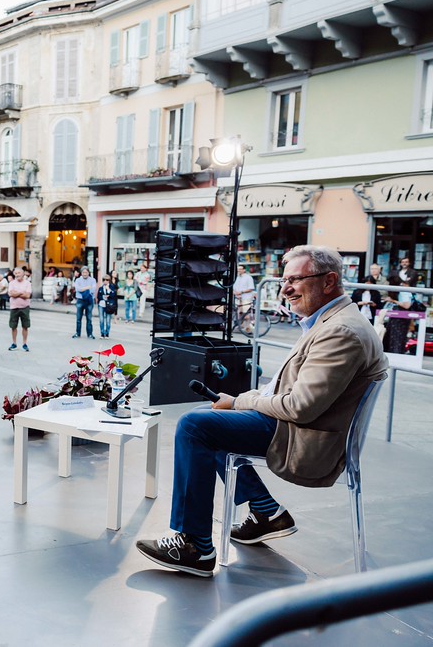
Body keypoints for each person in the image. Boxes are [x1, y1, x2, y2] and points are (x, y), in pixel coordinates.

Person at [136, 245, 388, 578]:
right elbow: (281, 390)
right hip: (298, 427)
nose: (285, 289)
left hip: (306, 439)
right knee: (209, 418)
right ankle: (267, 512)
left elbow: (300, 406)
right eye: (285, 280)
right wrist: (238, 399)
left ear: (329, 281)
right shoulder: (331, 321)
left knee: (196, 425)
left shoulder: (340, 331)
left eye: (296, 280)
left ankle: (194, 546)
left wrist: (239, 402)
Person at [7, 267, 32, 351]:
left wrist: (16, 293)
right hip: (14, 307)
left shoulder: (27, 283)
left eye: (19, 273)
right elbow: (10, 294)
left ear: (23, 273)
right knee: (13, 326)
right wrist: (22, 293)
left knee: (25, 326)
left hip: (25, 307)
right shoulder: (11, 283)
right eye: (16, 273)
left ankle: (24, 344)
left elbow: (28, 295)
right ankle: (14, 343)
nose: (17, 274)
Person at [73, 267, 96, 339]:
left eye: (86, 272)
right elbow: (78, 289)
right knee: (78, 318)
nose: (85, 274)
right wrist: (87, 288)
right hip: (80, 300)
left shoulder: (93, 280)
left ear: (88, 273)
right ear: (81, 273)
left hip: (89, 300)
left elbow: (93, 289)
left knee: (89, 318)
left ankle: (90, 334)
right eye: (83, 272)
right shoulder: (78, 280)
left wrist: (83, 288)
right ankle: (77, 333)